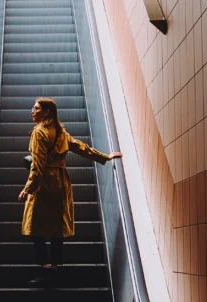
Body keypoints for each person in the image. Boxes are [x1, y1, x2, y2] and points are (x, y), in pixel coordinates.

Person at [17, 97, 122, 285]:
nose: (32, 111)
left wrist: (28, 188)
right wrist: (104, 156)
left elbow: (38, 166)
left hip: (44, 185)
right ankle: (56, 268)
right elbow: (79, 147)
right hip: (60, 182)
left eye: (36, 108)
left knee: (36, 229)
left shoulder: (39, 133)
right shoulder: (59, 131)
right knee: (56, 228)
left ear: (47, 111)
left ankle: (43, 270)